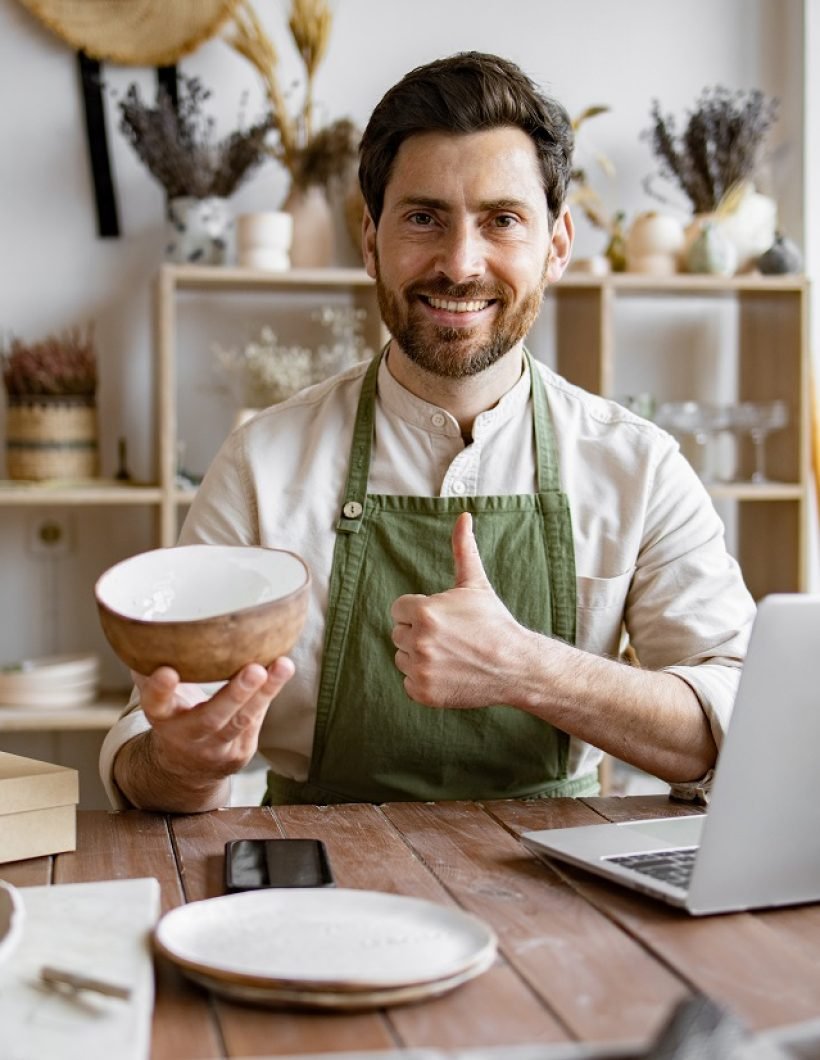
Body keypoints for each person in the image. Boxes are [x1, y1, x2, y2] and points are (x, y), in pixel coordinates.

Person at [100, 51, 756, 813]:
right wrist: (181, 763)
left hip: (565, 890)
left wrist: (525, 667)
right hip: (315, 885)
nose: (459, 264)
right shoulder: (263, 462)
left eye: (502, 220)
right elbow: (148, 751)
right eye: (423, 218)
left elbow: (741, 725)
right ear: (371, 239)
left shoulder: (637, 465)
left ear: (557, 246)